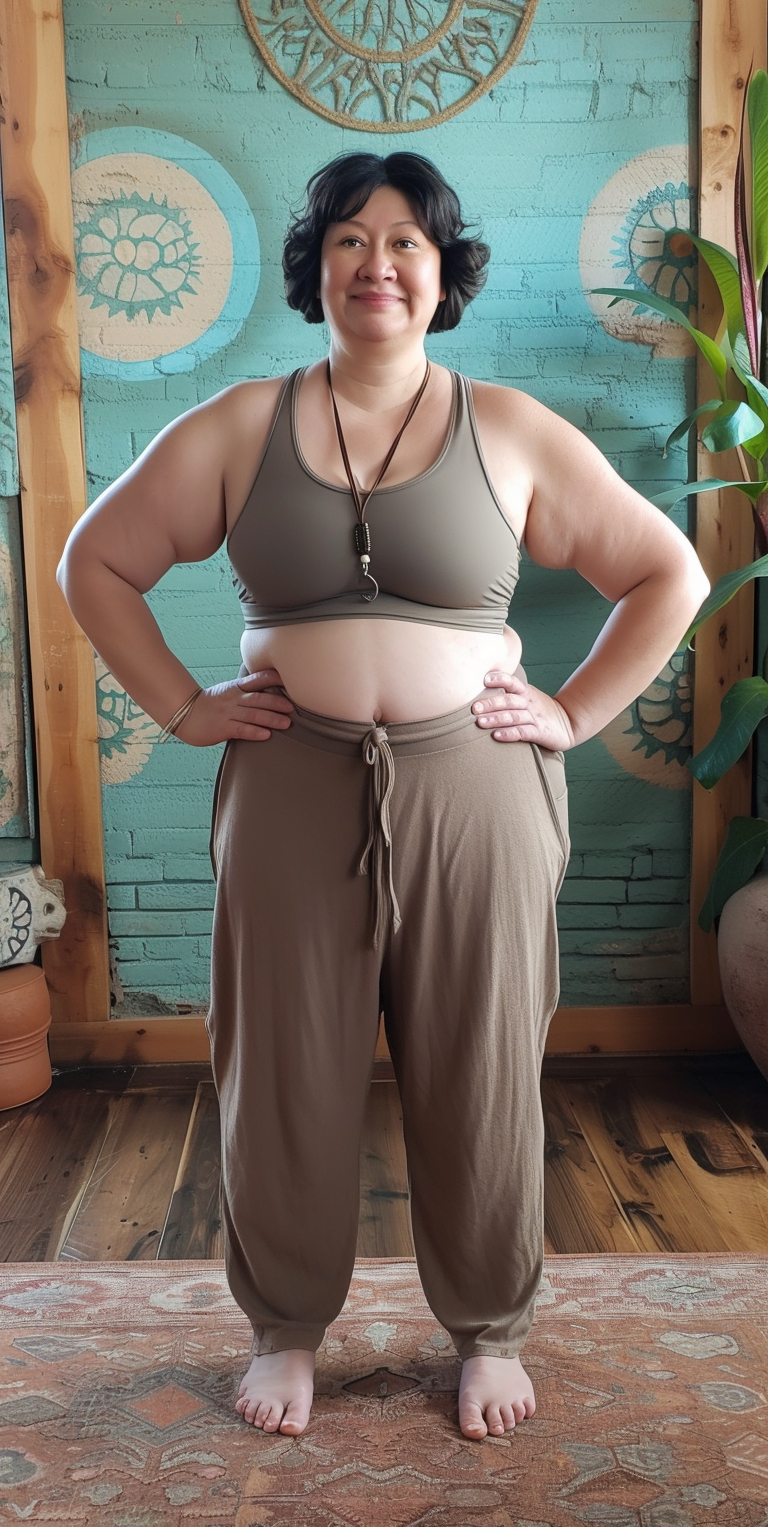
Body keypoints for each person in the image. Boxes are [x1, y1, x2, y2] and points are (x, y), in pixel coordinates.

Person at [57, 149, 709, 1443]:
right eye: (351, 239)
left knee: (479, 1060)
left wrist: (573, 712)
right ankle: (287, 1328)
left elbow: (670, 573)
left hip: (475, 790)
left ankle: (489, 1328)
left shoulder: (511, 426)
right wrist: (186, 706)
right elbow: (96, 562)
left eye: (408, 240)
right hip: (291, 786)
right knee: (284, 1063)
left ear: (443, 271)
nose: (379, 263)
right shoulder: (243, 425)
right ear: (318, 267)